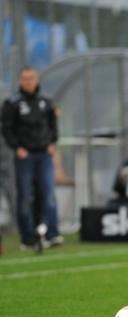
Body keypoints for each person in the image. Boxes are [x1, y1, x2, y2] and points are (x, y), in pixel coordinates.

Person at [1, 66, 63, 250]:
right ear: (20, 81)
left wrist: (52, 142)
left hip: (44, 153)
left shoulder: (46, 101)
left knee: (49, 193)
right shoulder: (12, 103)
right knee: (25, 195)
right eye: (24, 79)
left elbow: (53, 125)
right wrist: (17, 147)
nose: (28, 82)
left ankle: (53, 234)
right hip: (25, 155)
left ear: (37, 80)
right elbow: (6, 128)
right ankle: (27, 237)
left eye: (31, 78)